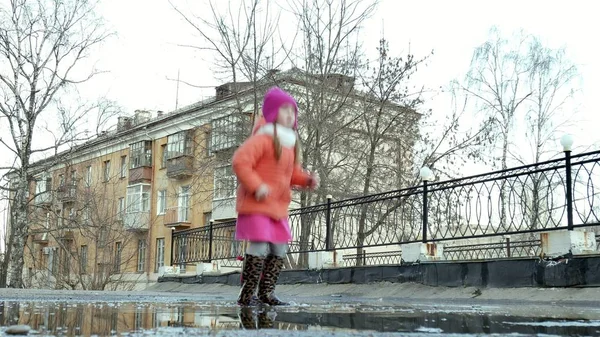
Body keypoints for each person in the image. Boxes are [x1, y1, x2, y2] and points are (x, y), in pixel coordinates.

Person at [232, 87, 318, 306]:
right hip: (256, 203)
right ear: (272, 112)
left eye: (293, 111)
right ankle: (247, 294)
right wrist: (256, 186)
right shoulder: (263, 139)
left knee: (280, 247)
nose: (290, 114)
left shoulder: (289, 145)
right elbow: (241, 162)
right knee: (259, 245)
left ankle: (266, 293)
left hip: (277, 207)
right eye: (285, 109)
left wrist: (307, 180)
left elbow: (291, 175)